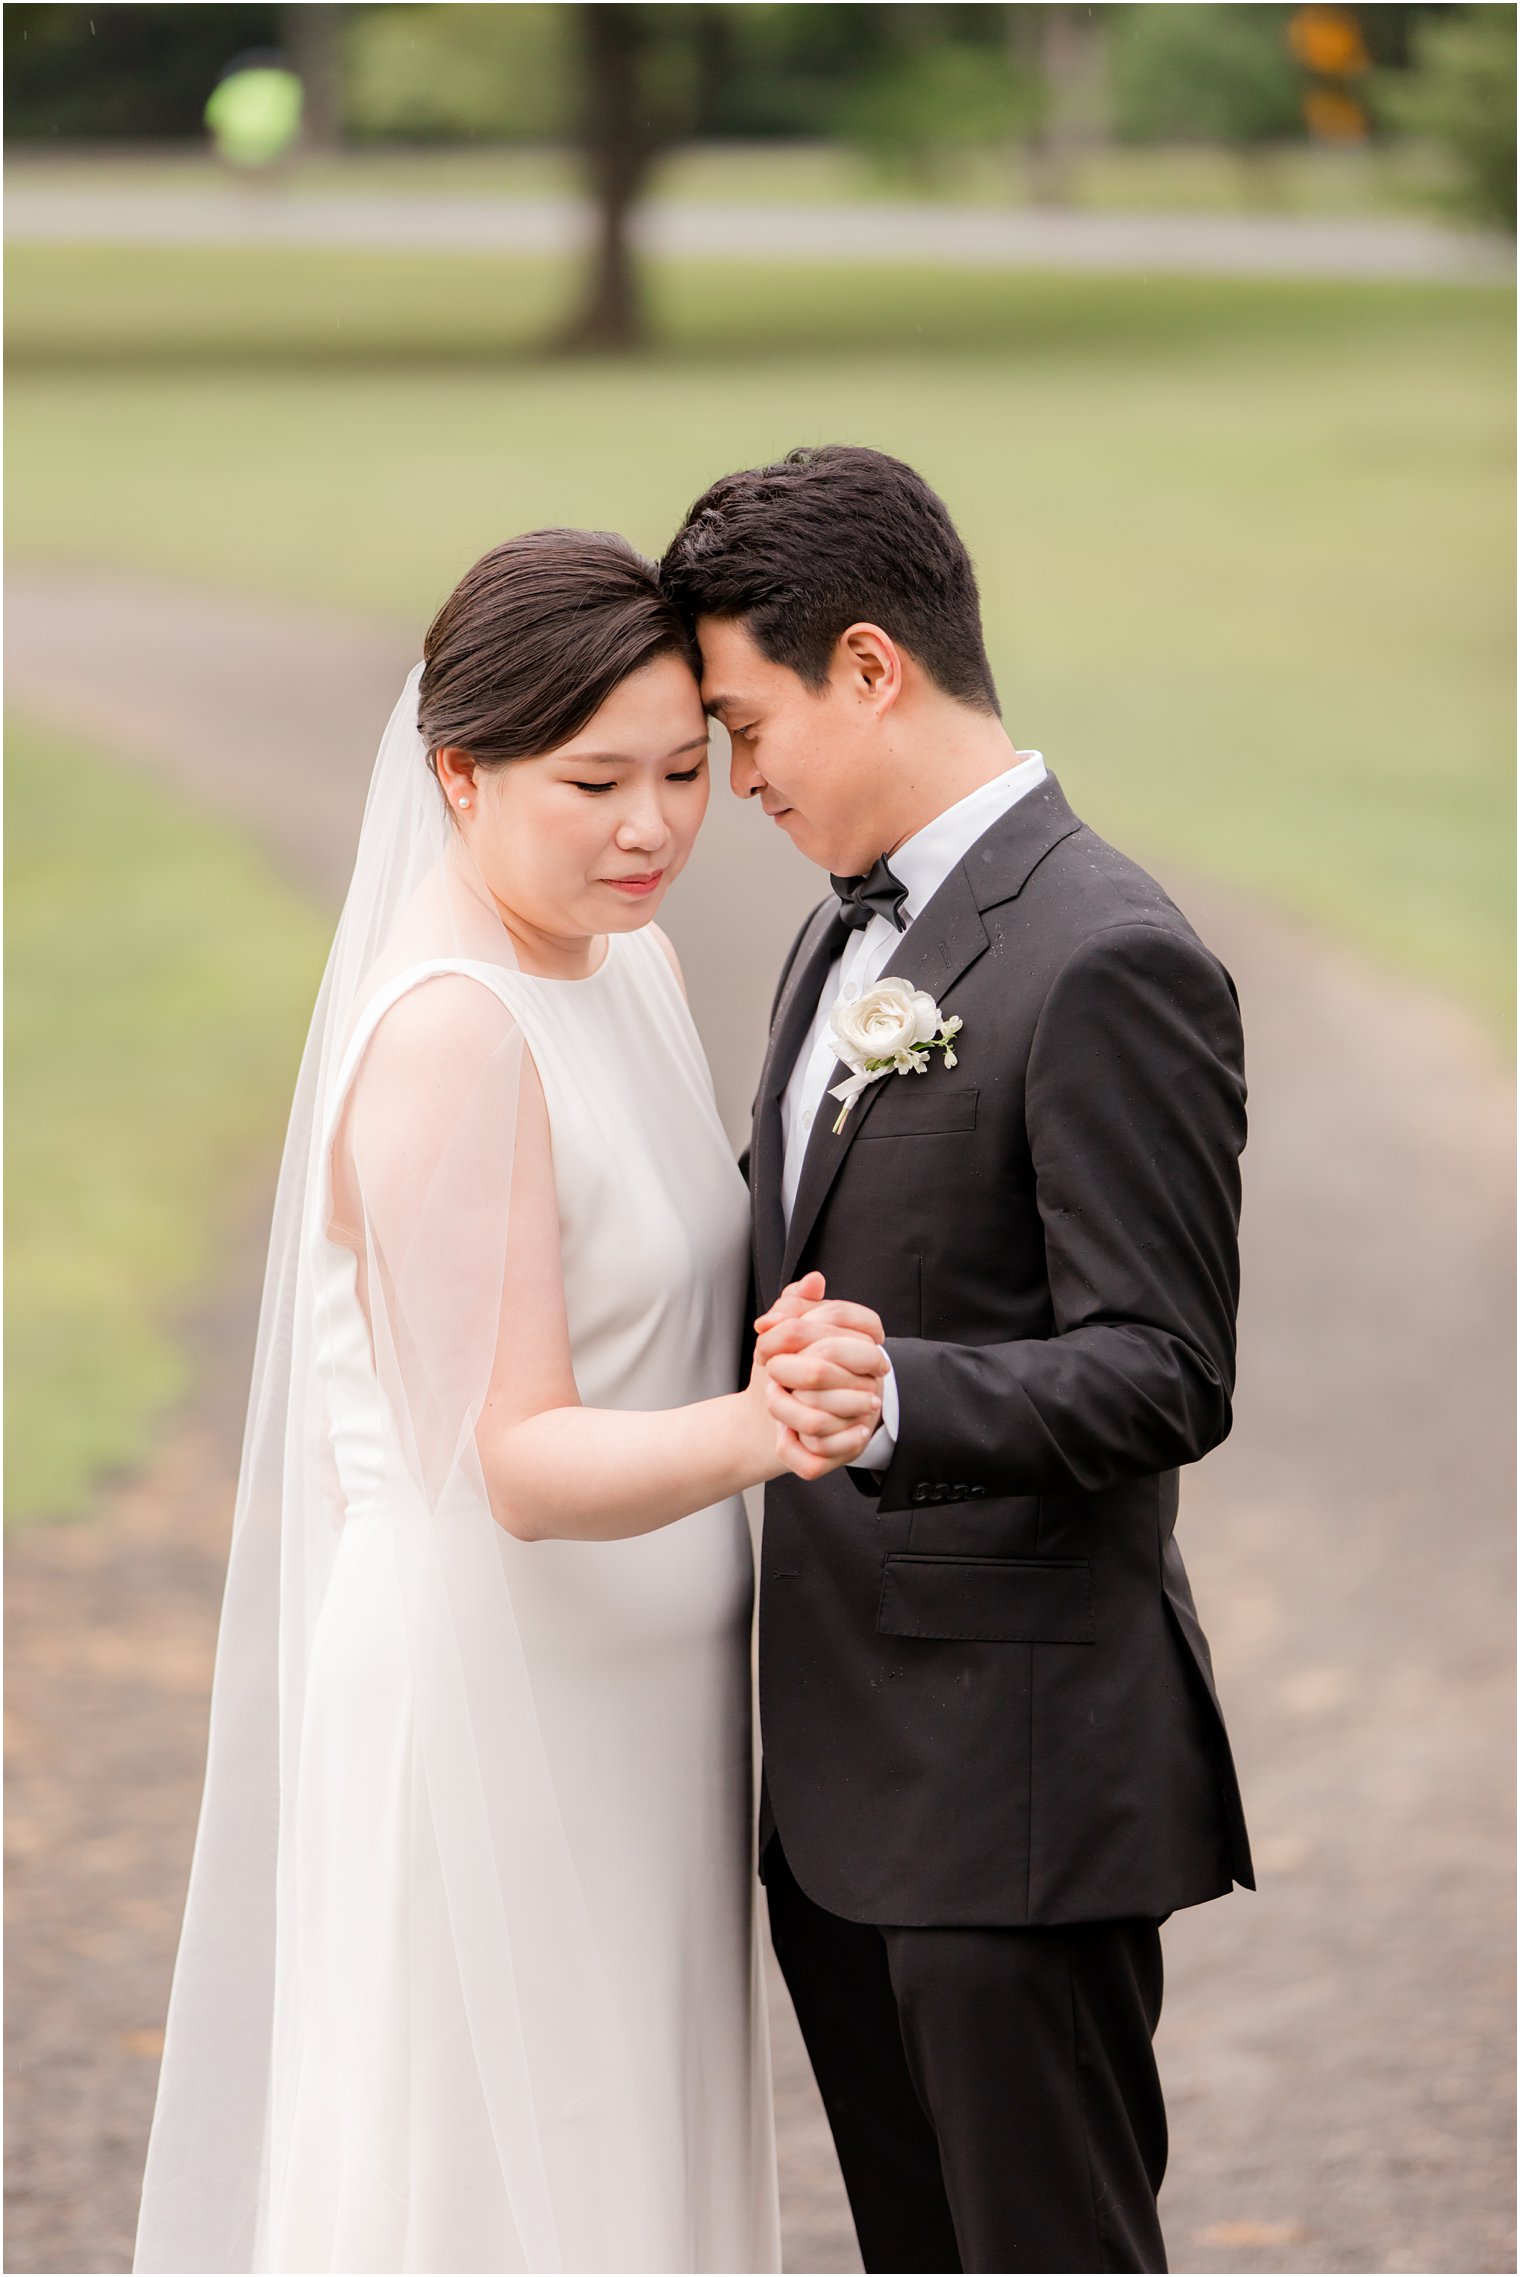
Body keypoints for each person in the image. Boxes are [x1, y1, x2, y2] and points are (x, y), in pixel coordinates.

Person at [133, 531, 884, 2274]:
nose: (653, 829)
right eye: (595, 781)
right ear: (458, 775)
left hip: (657, 1697)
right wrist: (782, 1425)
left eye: (690, 772)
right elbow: (519, 1458)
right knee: (493, 2176)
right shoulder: (448, 1036)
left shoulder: (637, 970)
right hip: (497, 1698)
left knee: (635, 2162)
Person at [660, 445, 1255, 2276]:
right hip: (844, 1794)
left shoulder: (1110, 956)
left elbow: (1167, 1365)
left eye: (747, 726)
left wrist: (900, 1391)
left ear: (866, 665)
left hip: (1017, 1794)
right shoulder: (843, 934)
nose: (736, 782)